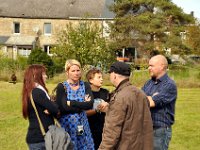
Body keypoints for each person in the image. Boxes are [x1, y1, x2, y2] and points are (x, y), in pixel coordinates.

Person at [99, 61, 153, 150]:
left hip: (126, 146)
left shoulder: (120, 97)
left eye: (110, 74)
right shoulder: (141, 93)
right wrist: (109, 110)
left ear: (114, 75)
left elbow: (112, 132)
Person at [55, 59, 95, 150]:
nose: (76, 73)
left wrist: (71, 103)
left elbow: (90, 105)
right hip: (67, 126)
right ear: (67, 72)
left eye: (78, 70)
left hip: (82, 125)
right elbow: (63, 108)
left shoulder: (85, 85)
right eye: (73, 71)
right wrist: (82, 105)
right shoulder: (62, 87)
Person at [142, 55, 177, 150]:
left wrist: (150, 99)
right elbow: (139, 100)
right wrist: (150, 97)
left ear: (162, 66)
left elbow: (151, 102)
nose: (149, 68)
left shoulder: (169, 85)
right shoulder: (148, 83)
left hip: (159, 130)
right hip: (146, 128)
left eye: (151, 65)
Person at [21, 64, 59, 150]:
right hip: (40, 139)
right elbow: (55, 109)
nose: (46, 76)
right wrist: (52, 105)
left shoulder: (30, 91)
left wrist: (50, 105)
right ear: (35, 76)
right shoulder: (37, 92)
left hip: (38, 138)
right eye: (43, 74)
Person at [85, 68, 109, 150]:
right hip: (90, 130)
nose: (101, 79)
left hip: (104, 130)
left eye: (102, 77)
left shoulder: (105, 92)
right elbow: (83, 113)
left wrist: (108, 106)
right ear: (91, 80)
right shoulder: (86, 94)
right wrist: (97, 110)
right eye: (99, 77)